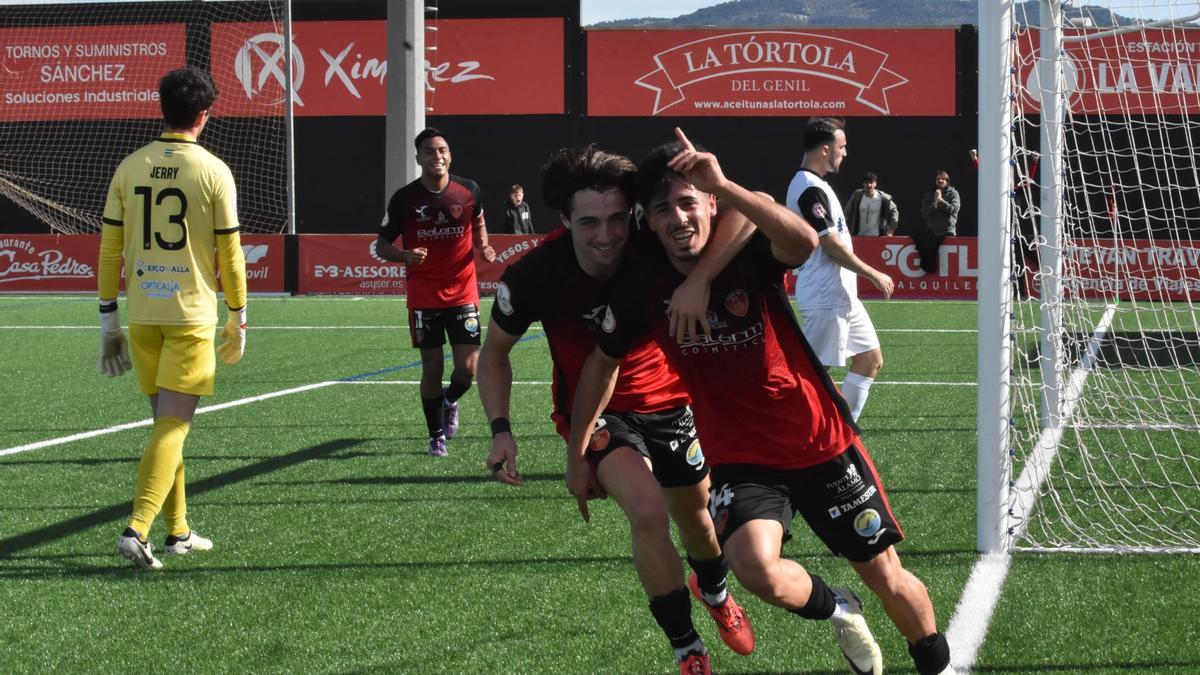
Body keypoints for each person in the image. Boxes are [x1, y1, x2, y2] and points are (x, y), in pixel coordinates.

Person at [570, 128, 955, 675]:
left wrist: (720, 198)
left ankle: (934, 662)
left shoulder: (746, 252)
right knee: (754, 569)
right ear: (647, 222)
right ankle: (839, 607)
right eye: (663, 210)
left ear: (710, 203)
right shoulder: (641, 287)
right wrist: (576, 452)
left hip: (819, 441)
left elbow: (799, 239)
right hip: (742, 458)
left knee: (886, 574)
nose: (678, 219)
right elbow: (600, 367)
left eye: (688, 203)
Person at [477, 145, 755, 675]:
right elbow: (493, 355)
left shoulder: (655, 242)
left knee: (697, 519)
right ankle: (686, 647)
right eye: (588, 223)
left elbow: (746, 212)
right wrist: (501, 430)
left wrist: (698, 279)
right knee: (648, 513)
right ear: (564, 221)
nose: (605, 235)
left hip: (672, 400)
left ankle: (715, 592)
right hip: (595, 413)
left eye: (614, 220)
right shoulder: (535, 275)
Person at [98, 67, 248, 570]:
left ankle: (177, 532)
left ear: (161, 107)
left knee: (166, 425)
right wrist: (238, 316)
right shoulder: (213, 170)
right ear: (204, 115)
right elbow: (231, 255)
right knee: (173, 428)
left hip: (142, 315)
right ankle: (136, 529)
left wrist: (107, 323)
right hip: (188, 315)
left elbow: (109, 251)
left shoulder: (128, 166)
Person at [375, 128, 496, 457]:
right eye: (429, 151)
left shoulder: (469, 191)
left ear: (450, 155)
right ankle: (436, 435)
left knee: (467, 369)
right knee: (432, 368)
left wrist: (482, 244)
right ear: (419, 158)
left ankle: (449, 401)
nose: (437, 156)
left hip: (463, 292)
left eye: (442, 150)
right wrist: (404, 256)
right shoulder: (404, 199)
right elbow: (381, 245)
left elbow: (479, 220)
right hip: (424, 295)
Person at [788, 119, 895, 422]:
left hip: (841, 296)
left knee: (870, 359)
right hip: (826, 297)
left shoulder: (819, 186)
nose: (845, 153)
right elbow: (831, 246)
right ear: (825, 149)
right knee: (812, 377)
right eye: (842, 146)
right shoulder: (808, 189)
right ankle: (795, 437)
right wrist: (873, 273)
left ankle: (844, 430)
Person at [916, 170, 960, 274]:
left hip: (948, 233)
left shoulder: (953, 194)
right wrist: (935, 204)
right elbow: (925, 213)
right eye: (938, 179)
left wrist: (941, 201)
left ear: (947, 181)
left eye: (943, 179)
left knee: (948, 263)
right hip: (933, 233)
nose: (940, 181)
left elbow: (953, 209)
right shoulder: (929, 195)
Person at [844, 172, 899, 237]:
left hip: (876, 237)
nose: (869, 185)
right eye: (867, 182)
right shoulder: (857, 195)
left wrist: (891, 230)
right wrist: (845, 228)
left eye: (871, 182)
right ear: (863, 184)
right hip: (858, 237)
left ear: (875, 184)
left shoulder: (883, 198)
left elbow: (894, 211)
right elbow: (846, 213)